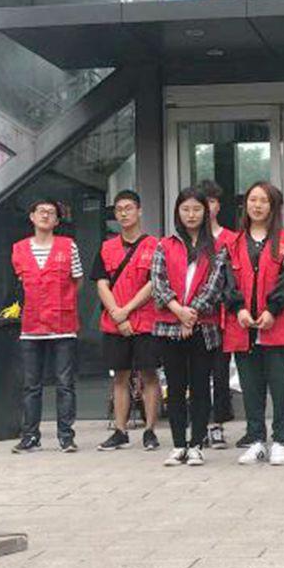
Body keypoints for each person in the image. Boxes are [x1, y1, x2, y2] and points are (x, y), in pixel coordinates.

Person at [222, 182, 284, 466]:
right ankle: (256, 440)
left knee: (280, 386)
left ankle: (280, 439)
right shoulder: (232, 243)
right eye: (252, 200)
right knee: (250, 387)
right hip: (243, 326)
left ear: (273, 206)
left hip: (277, 325)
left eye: (263, 201)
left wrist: (272, 310)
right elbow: (227, 281)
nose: (257, 205)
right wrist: (239, 308)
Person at [151, 187, 227, 467]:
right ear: (177, 213)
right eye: (186, 209)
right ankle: (178, 444)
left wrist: (190, 315)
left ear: (206, 212)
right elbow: (158, 283)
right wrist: (179, 312)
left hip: (202, 328)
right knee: (175, 387)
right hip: (170, 327)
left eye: (196, 209)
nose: (191, 215)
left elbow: (215, 286)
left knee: (200, 387)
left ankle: (196, 444)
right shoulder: (165, 245)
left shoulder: (217, 247)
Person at [10, 199, 83, 453]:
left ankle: (66, 436)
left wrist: (63, 302)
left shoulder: (68, 246)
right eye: (41, 211)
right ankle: (30, 436)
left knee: (65, 384)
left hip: (63, 324)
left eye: (51, 213)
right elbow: (20, 284)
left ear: (57, 221)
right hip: (31, 326)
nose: (45, 215)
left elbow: (77, 280)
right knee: (31, 386)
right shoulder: (19, 249)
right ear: (31, 216)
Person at [94, 191, 162, 452]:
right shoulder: (106, 247)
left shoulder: (155, 246)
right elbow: (101, 283)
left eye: (129, 208)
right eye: (119, 209)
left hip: (146, 322)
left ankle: (150, 430)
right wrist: (117, 313)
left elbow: (154, 283)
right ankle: (120, 431)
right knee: (120, 376)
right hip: (115, 324)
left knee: (149, 375)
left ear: (139, 211)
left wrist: (127, 310)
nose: (123, 213)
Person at [199, 179, 238, 450]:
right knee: (196, 375)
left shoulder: (232, 239)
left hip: (223, 318)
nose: (207, 207)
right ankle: (198, 425)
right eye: (202, 202)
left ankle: (217, 426)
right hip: (194, 318)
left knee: (220, 374)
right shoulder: (187, 240)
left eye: (211, 201)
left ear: (218, 206)